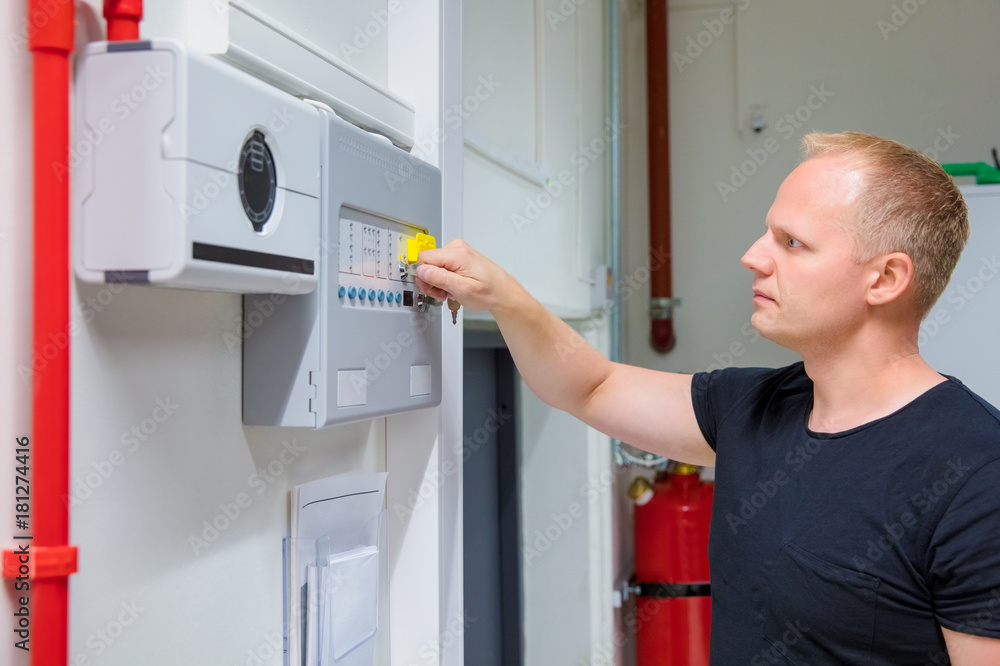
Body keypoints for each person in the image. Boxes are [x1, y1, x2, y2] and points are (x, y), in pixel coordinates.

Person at [415, 131, 1000, 665]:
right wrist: (507, 299)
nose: (754, 256)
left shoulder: (977, 472)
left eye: (792, 243)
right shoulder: (754, 407)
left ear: (884, 279)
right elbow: (591, 386)